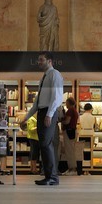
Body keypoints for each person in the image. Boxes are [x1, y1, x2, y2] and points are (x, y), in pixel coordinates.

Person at [33, 52, 64, 185]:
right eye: (38, 60)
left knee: (46, 144)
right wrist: (27, 118)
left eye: (41, 60)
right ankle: (48, 176)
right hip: (42, 112)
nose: (39, 62)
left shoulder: (54, 74)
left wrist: (49, 114)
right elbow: (37, 102)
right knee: (44, 145)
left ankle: (52, 177)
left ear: (49, 61)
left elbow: (57, 97)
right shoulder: (44, 77)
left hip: (47, 112)